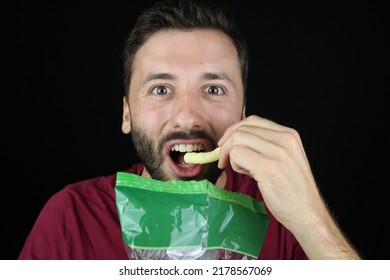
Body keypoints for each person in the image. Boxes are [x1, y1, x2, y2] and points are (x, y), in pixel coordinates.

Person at [18, 0, 360, 260]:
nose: (187, 117)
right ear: (127, 113)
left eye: (213, 89)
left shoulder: (284, 216)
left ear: (242, 112)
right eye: (161, 89)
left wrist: (311, 218)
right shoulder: (71, 219)